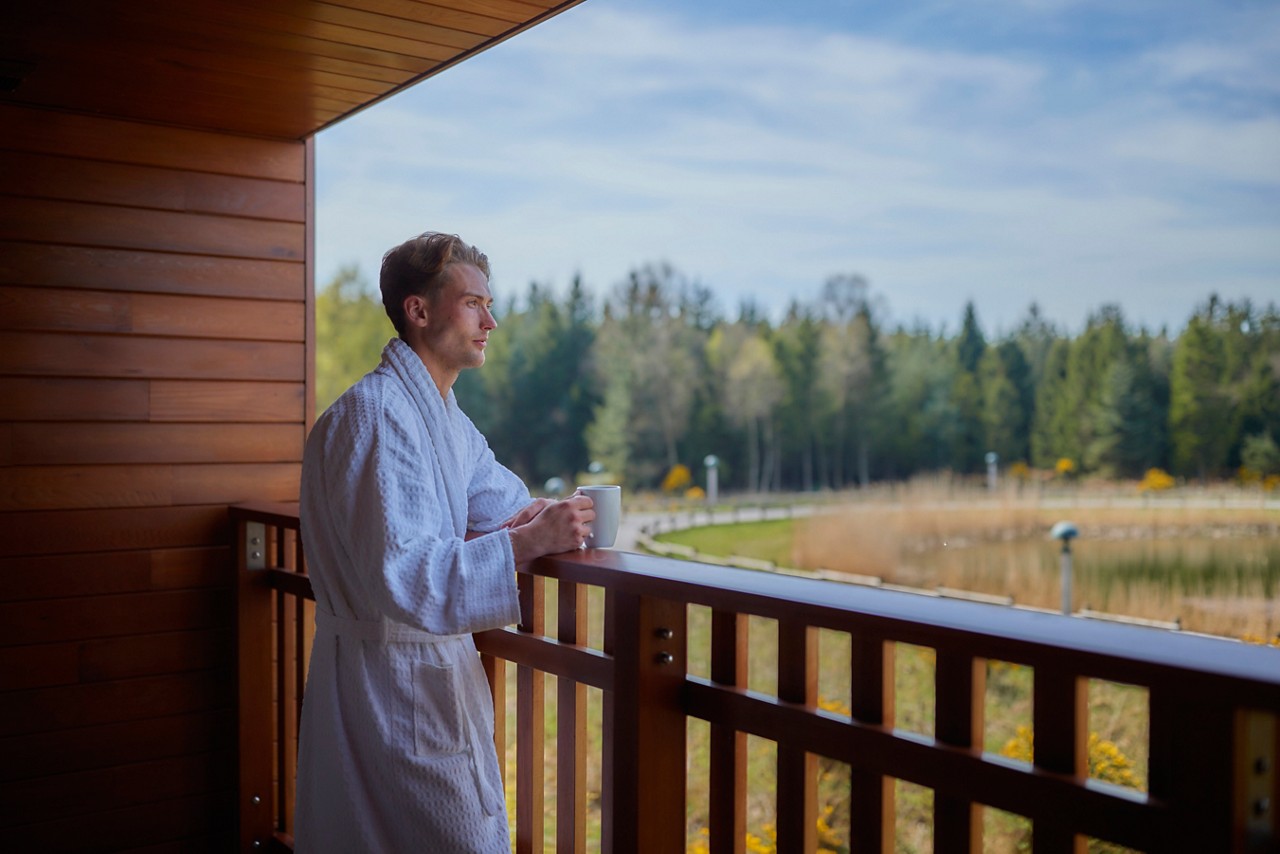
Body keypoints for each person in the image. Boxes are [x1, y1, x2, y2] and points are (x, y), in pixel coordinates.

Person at [294, 232, 595, 852]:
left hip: (392, 677)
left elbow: (500, 502)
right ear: (419, 310)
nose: (492, 320)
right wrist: (525, 542)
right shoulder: (379, 415)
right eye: (474, 304)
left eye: (489, 304)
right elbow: (406, 572)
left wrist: (538, 519)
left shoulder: (440, 416)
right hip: (397, 685)